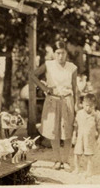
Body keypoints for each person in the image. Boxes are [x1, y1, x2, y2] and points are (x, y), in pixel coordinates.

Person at [30, 40, 78, 171]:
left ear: (66, 53)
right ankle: (57, 160)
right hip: (52, 101)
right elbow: (33, 75)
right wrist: (44, 88)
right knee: (54, 132)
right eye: (58, 53)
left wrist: (77, 104)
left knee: (67, 131)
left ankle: (66, 161)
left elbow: (75, 87)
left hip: (67, 100)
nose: (60, 56)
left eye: (63, 53)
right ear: (54, 54)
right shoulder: (48, 65)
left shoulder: (72, 67)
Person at [72, 93, 100, 176]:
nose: (88, 108)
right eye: (86, 105)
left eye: (91, 106)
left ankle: (89, 171)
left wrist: (99, 137)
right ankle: (77, 168)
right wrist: (74, 135)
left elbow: (99, 127)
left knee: (89, 154)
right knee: (77, 153)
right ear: (83, 104)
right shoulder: (79, 113)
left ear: (94, 106)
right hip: (80, 137)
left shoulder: (96, 115)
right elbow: (75, 125)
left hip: (89, 138)